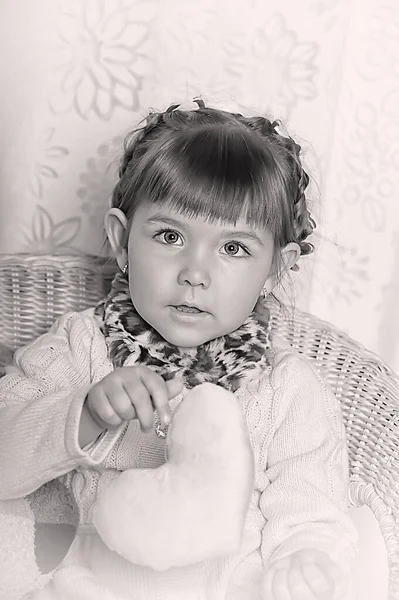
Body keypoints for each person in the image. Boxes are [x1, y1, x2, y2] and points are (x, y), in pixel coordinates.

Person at [0, 99, 358, 600]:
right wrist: (86, 414)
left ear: (275, 269)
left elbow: (313, 504)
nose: (195, 272)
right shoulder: (81, 347)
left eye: (233, 248)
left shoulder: (284, 388)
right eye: (170, 236)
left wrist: (302, 562)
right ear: (122, 242)